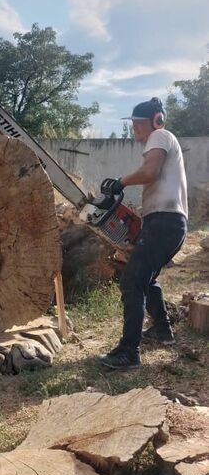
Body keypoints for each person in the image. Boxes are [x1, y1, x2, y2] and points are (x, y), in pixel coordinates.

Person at [99, 97, 188, 369]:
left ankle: (129, 352)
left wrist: (119, 182)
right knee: (147, 279)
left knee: (132, 281)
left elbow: (149, 172)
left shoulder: (160, 135)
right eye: (134, 124)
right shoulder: (162, 139)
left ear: (156, 120)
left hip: (165, 221)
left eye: (139, 124)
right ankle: (162, 331)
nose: (135, 129)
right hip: (166, 222)